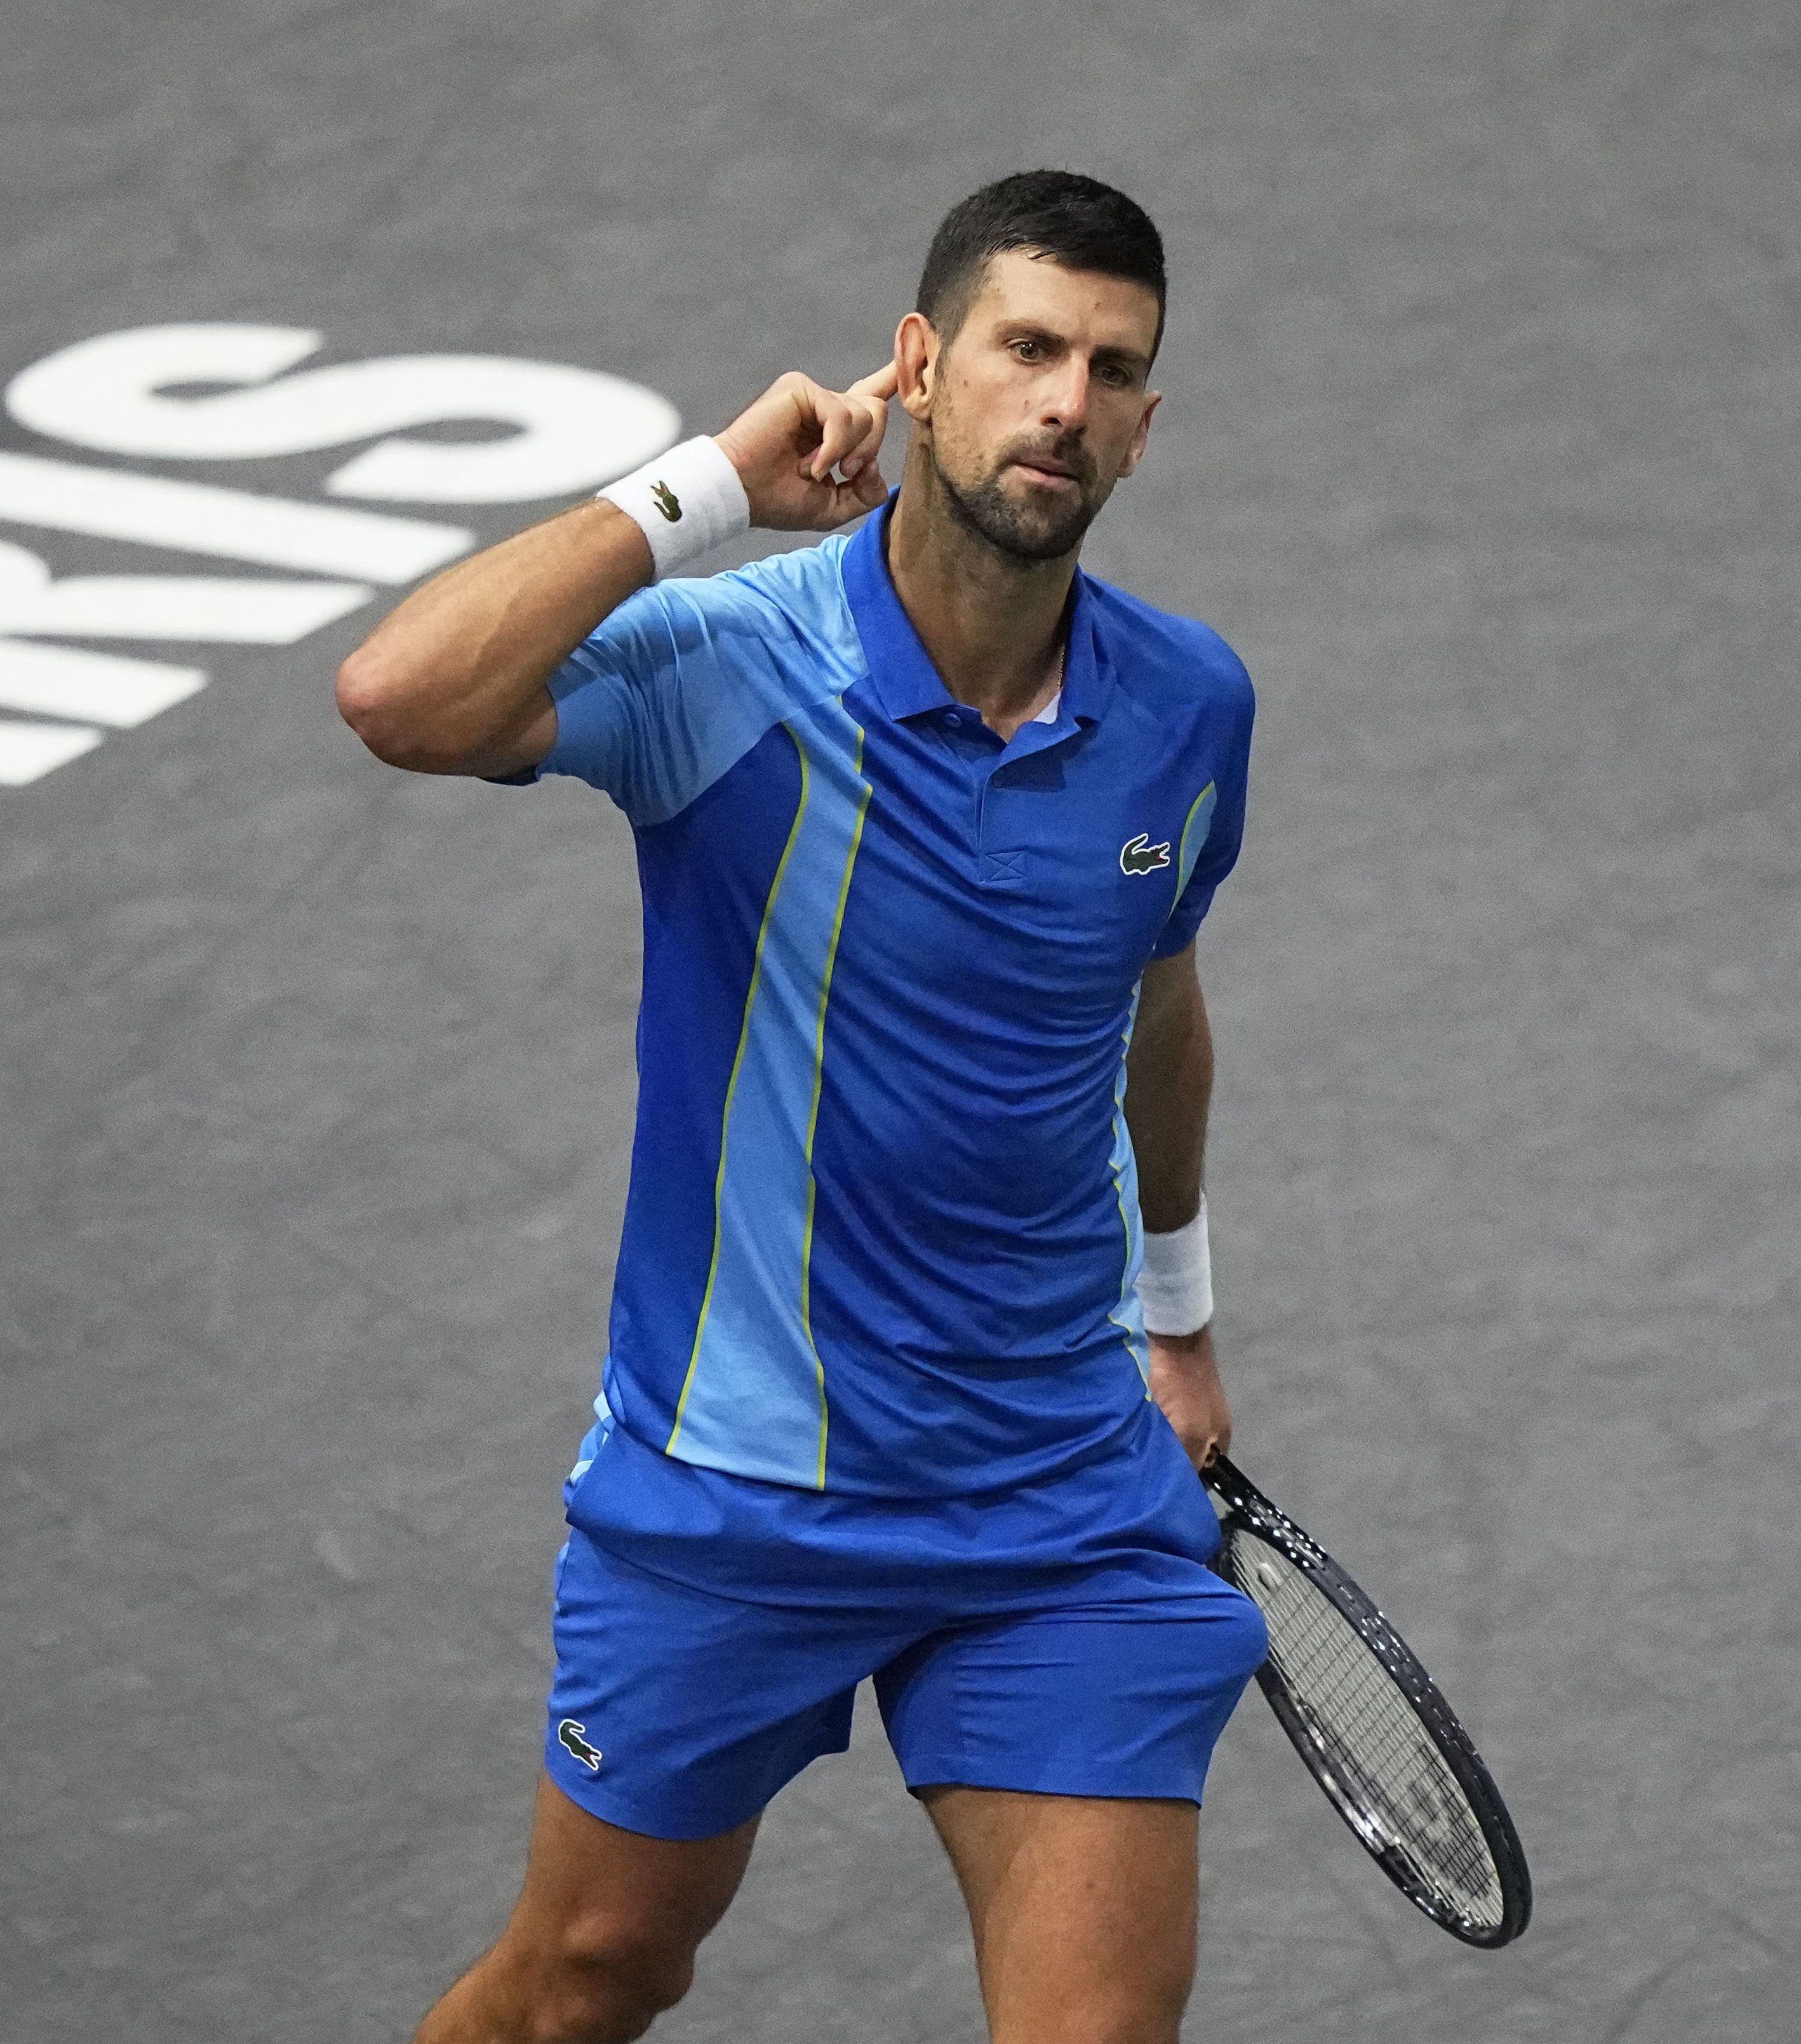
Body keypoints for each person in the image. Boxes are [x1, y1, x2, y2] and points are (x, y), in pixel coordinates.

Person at [337, 169, 1269, 2044]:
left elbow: (1153, 1007)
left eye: (1110, 369)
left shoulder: (1187, 708)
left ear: (1144, 427)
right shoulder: (730, 662)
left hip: (1049, 1498)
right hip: (733, 1492)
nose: (1063, 401)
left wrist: (1174, 1321)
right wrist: (696, 495)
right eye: (1022, 349)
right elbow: (398, 696)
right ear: (916, 367)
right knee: (585, 1978)